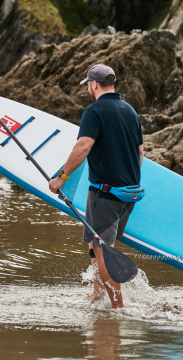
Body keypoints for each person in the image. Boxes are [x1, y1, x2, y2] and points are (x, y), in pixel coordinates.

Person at [49, 64, 144, 309]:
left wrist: (62, 176)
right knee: (95, 244)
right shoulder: (130, 111)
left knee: (102, 248)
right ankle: (97, 294)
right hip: (127, 194)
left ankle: (117, 307)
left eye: (88, 86)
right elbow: (140, 153)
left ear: (93, 84)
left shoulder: (94, 111)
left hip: (105, 193)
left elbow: (83, 146)